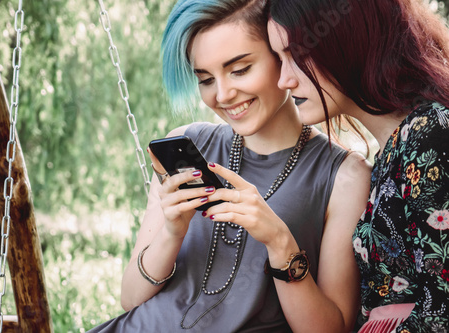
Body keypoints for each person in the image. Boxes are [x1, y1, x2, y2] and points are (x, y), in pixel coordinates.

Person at [88, 0, 370, 332]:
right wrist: (172, 232)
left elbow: (330, 329)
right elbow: (131, 298)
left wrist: (280, 241)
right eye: (206, 79)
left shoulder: (345, 175)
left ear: (282, 58)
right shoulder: (188, 143)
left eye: (239, 70)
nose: (222, 94)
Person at [267, 0, 449, 332]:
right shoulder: (394, 149)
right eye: (280, 60)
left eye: (296, 56)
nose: (284, 80)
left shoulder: (433, 135)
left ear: (348, 41)